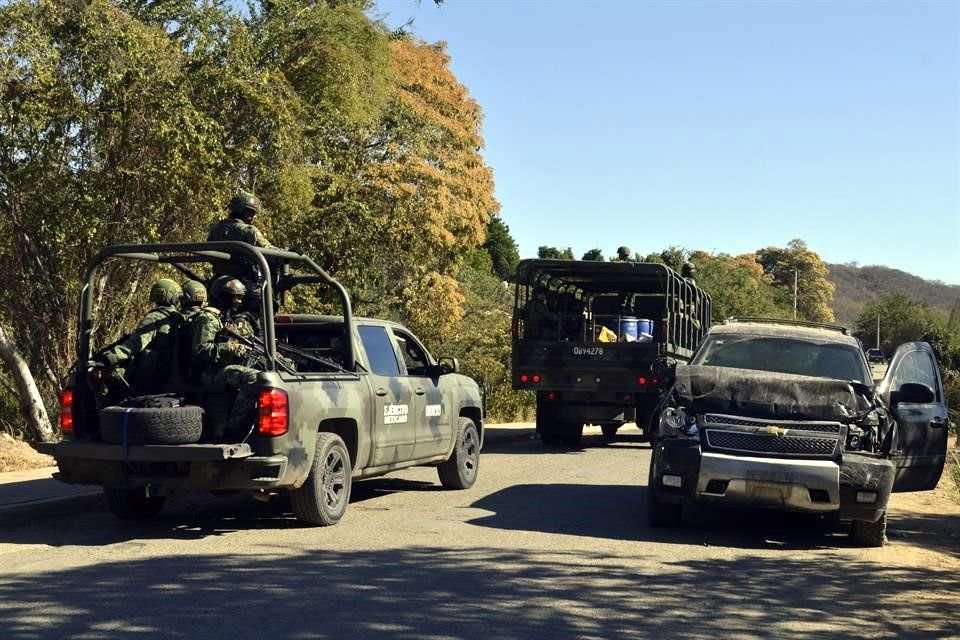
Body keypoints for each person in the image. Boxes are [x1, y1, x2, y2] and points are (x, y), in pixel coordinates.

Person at [190, 277, 259, 438]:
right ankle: (233, 429)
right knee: (253, 378)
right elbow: (200, 350)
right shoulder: (208, 319)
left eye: (241, 297)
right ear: (223, 296)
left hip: (222, 369)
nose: (239, 301)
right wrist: (230, 347)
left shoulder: (225, 318)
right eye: (236, 297)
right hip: (211, 374)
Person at [95, 278, 183, 397]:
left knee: (108, 376)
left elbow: (135, 344)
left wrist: (109, 358)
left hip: (151, 376)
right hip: (170, 374)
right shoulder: (179, 318)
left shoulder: (155, 317)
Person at [207, 191, 276, 281]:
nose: (252, 217)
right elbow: (269, 251)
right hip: (244, 282)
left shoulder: (216, 228)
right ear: (243, 211)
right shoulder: (249, 231)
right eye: (250, 212)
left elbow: (209, 254)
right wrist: (286, 252)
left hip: (217, 280)